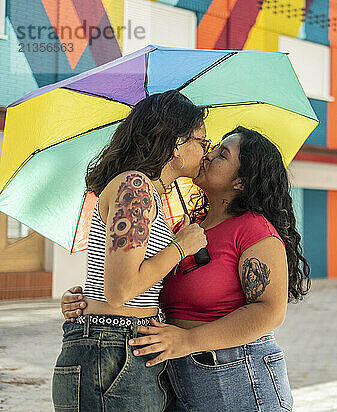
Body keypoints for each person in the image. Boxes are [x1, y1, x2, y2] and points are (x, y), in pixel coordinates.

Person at [62, 127, 311, 411]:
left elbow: (270, 311)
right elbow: (137, 281)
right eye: (214, 147)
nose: (209, 154)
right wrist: (86, 301)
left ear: (240, 181)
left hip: (240, 377)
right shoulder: (186, 231)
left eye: (222, 155)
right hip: (180, 380)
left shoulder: (253, 228)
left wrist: (189, 340)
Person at [52, 90, 209, 411]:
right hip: (112, 353)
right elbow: (121, 290)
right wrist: (180, 248)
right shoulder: (134, 188)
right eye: (201, 142)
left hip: (120, 349)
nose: (206, 152)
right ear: (177, 144)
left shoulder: (143, 190)